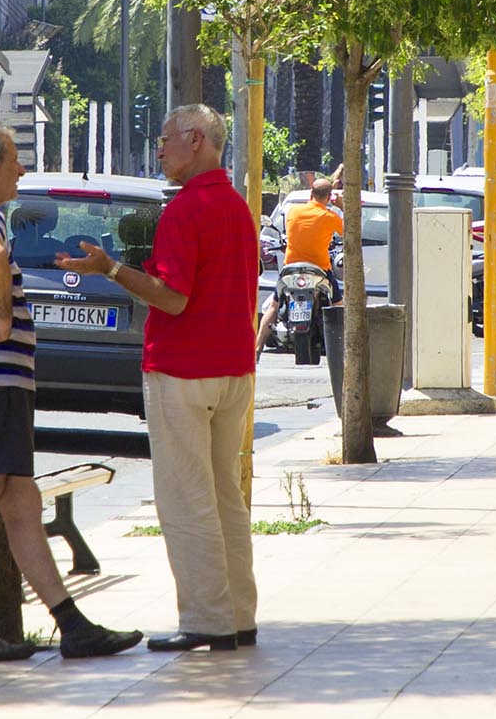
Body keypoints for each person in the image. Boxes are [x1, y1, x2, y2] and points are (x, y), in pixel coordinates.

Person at [0, 120, 142, 664]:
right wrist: (1, 315)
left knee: (22, 502)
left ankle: (72, 624)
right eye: (15, 159)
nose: (21, 170)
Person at [59, 105, 262, 652]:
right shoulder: (238, 208)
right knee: (224, 497)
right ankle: (238, 615)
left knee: (186, 498)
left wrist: (111, 270)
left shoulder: (187, 210)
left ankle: (206, 620)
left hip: (183, 371)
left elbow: (172, 297)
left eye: (165, 139)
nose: (160, 149)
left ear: (196, 140)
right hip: (233, 370)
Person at [255, 177, 343, 350]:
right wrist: (342, 207)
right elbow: (350, 232)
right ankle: (340, 345)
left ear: (311, 193)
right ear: (329, 197)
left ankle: (257, 347)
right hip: (320, 270)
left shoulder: (292, 211)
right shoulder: (330, 216)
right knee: (338, 306)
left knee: (273, 305)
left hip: (290, 269)